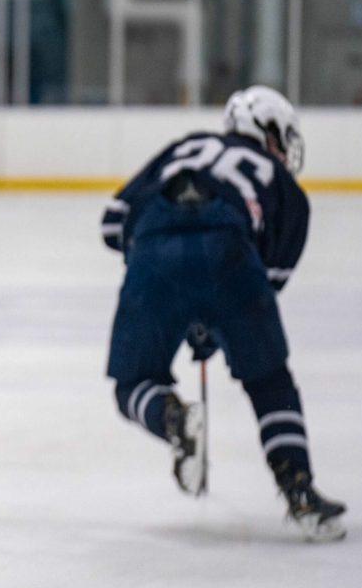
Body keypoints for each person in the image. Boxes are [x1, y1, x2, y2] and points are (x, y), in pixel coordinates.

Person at [101, 85, 346, 542]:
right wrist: (213, 322)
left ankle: (171, 417)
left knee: (131, 384)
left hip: (153, 249)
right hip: (231, 249)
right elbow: (267, 281)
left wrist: (157, 272)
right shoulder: (288, 191)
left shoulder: (184, 147)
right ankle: (301, 493)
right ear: (267, 132)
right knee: (269, 380)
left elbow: (112, 224)